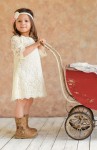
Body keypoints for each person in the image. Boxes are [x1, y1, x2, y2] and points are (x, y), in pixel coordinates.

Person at [11, 8, 47, 139]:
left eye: (26, 21)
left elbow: (41, 54)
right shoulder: (16, 39)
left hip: (32, 74)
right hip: (23, 74)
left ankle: (25, 126)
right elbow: (22, 53)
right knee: (21, 100)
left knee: (29, 99)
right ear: (15, 23)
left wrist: (41, 45)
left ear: (31, 23)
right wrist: (36, 44)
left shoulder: (32, 39)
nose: (23, 23)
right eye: (19, 21)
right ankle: (20, 130)